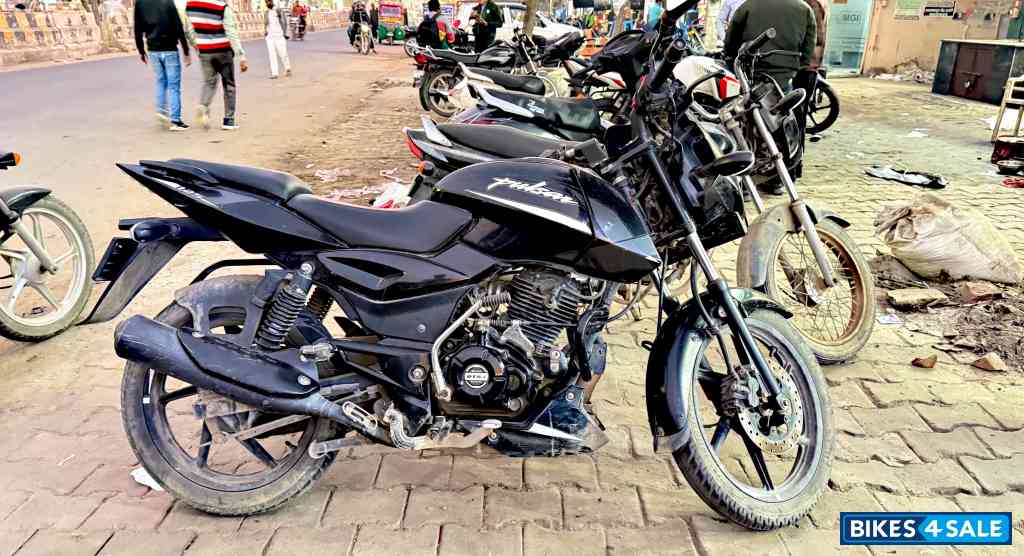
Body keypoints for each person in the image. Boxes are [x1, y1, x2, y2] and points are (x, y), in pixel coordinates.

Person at [724, 0, 816, 191]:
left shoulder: (749, 6)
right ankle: (777, 179)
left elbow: (731, 40)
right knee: (782, 120)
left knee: (747, 123)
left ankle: (746, 180)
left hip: (753, 72)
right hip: (785, 74)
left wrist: (731, 58)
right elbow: (809, 47)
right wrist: (798, 66)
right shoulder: (804, 8)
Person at [183, 0, 249, 131]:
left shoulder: (190, 6)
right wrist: (241, 56)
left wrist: (198, 47)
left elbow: (188, 31)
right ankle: (229, 120)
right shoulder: (222, 7)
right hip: (223, 51)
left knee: (209, 83)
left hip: (205, 51)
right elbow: (231, 32)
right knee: (229, 84)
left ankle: (203, 106)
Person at [134, 0, 191, 131]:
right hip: (170, 48)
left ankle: (161, 111)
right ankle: (175, 121)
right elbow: (178, 26)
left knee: (161, 82)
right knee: (173, 86)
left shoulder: (140, 3)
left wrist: (141, 51)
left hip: (153, 49)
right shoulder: (168, 2)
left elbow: (137, 28)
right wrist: (186, 51)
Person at [264, 0, 291, 79]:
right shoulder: (266, 12)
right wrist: (265, 31)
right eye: (266, 2)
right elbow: (265, 23)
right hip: (270, 37)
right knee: (272, 55)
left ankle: (287, 68)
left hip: (279, 36)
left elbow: (285, 22)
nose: (267, 3)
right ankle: (274, 73)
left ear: (272, 1)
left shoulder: (279, 10)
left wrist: (285, 33)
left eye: (269, 1)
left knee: (283, 53)